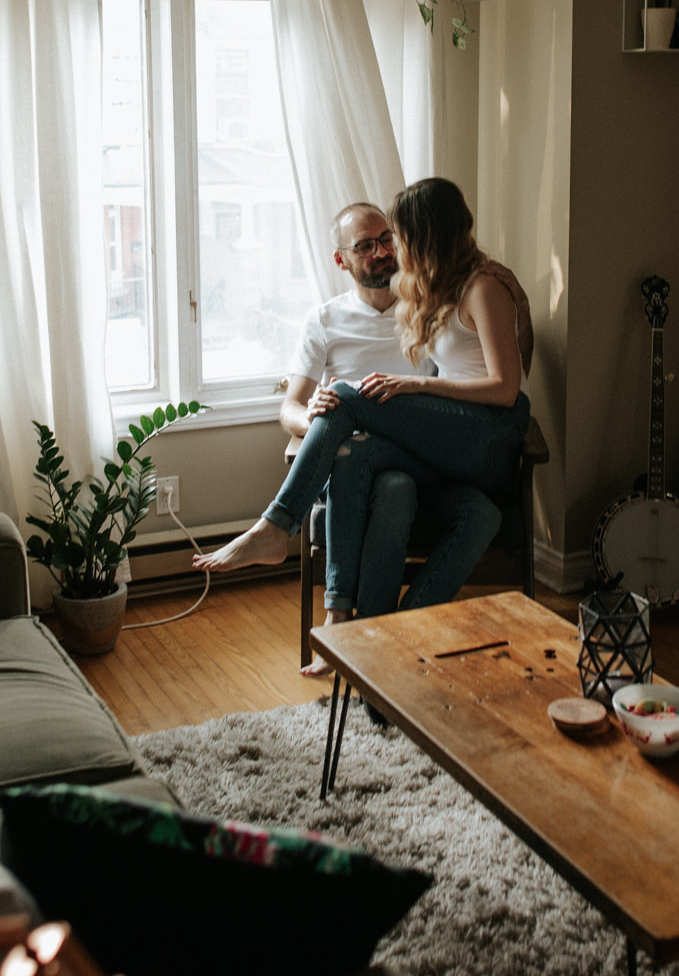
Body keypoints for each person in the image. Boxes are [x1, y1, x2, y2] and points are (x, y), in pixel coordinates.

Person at [192, 179, 532, 670]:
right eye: (372, 243)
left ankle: (276, 525)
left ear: (423, 235)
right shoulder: (435, 291)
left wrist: (417, 385)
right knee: (357, 456)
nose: (390, 249)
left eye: (394, 237)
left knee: (348, 398)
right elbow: (292, 406)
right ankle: (371, 641)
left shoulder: (482, 287)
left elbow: (505, 387)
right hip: (450, 440)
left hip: (485, 434)